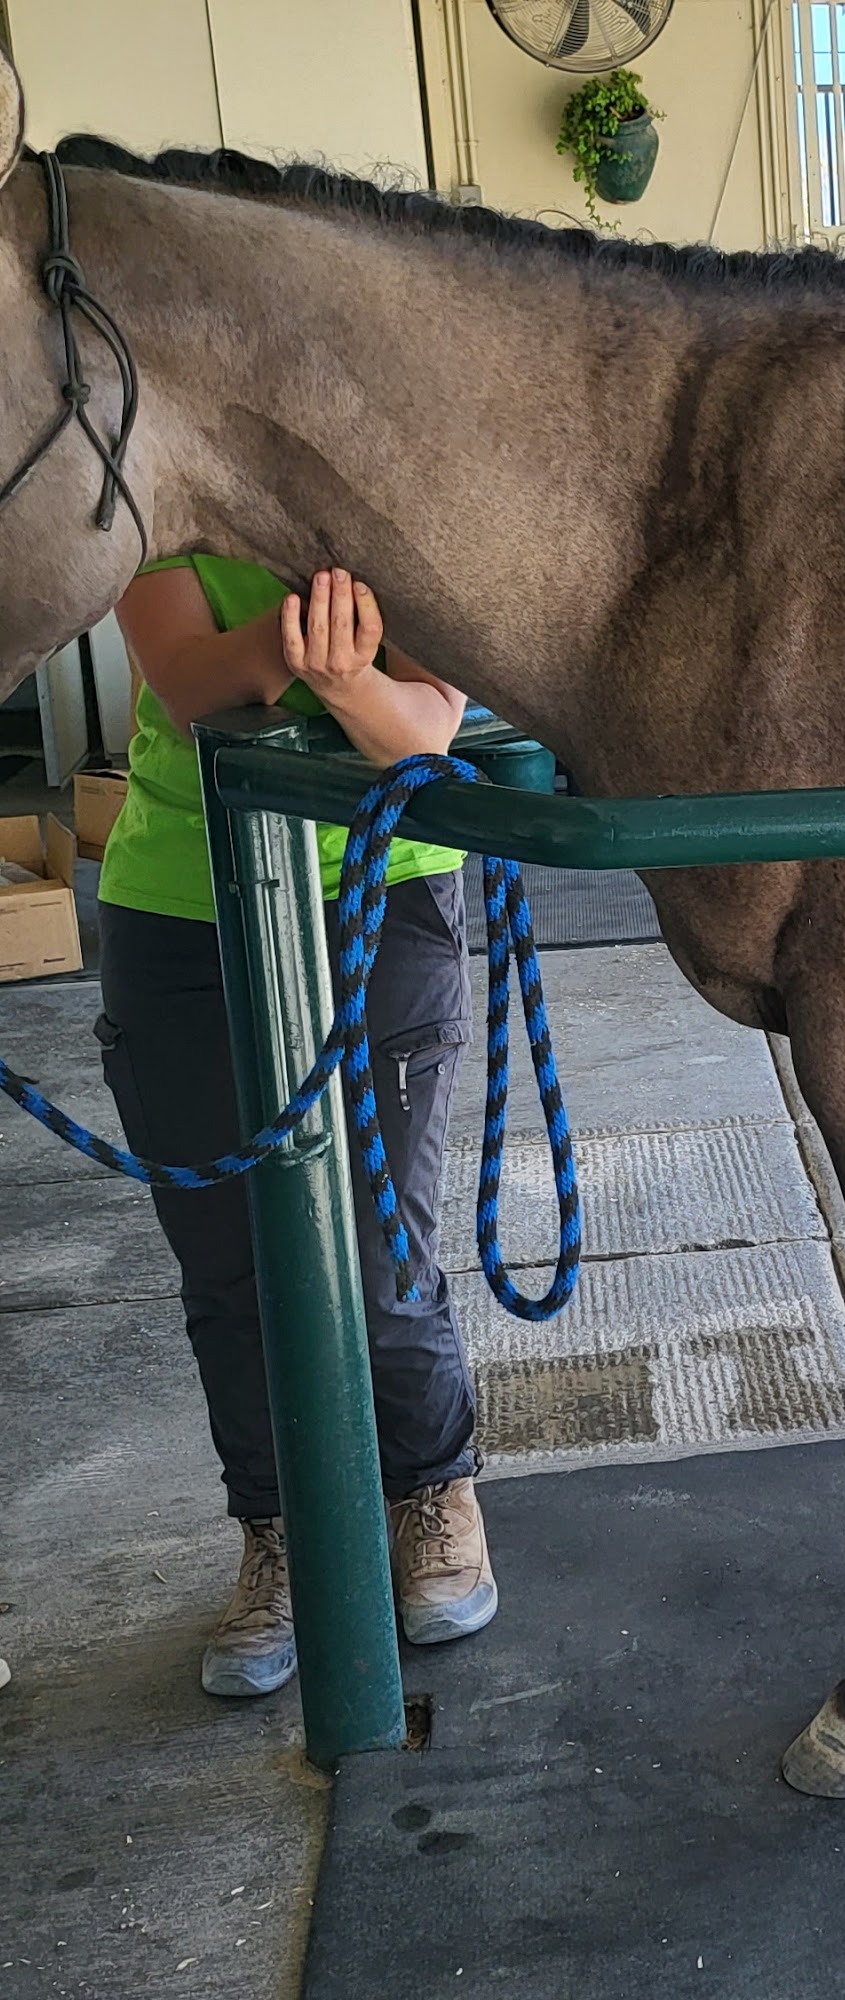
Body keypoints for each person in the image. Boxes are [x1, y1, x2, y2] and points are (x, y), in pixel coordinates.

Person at [98, 557, 497, 1697]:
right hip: (181, 901)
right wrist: (314, 649)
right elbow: (186, 682)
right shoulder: (163, 510)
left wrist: (338, 676)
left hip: (382, 885)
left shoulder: (383, 497)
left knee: (383, 1255)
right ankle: (274, 1532)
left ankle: (431, 1488)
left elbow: (425, 736)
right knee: (227, 1264)